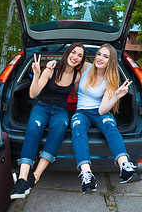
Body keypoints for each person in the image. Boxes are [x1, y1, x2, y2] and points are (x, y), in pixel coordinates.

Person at [10, 42, 86, 199]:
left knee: (60, 128)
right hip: (42, 106)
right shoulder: (51, 69)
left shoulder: (76, 76)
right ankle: (22, 179)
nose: (75, 57)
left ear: (81, 60)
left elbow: (79, 94)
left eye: (80, 55)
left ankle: (35, 176)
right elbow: (33, 94)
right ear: (67, 53)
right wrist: (37, 73)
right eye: (73, 52)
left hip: (61, 110)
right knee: (34, 129)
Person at [70, 43, 141, 194]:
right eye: (99, 54)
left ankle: (125, 167)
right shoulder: (86, 67)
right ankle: (87, 175)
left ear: (111, 61)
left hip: (99, 112)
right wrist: (50, 67)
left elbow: (102, 110)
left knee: (110, 126)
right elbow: (70, 64)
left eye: (105, 56)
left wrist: (116, 96)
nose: (100, 58)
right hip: (82, 111)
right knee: (77, 127)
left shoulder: (110, 81)